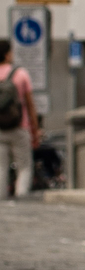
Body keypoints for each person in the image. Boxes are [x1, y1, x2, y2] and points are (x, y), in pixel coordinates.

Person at [0, 37, 40, 199]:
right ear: (8, 54)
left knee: (0, 167)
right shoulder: (21, 74)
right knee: (24, 167)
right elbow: (30, 106)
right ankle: (21, 199)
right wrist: (34, 131)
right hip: (19, 127)